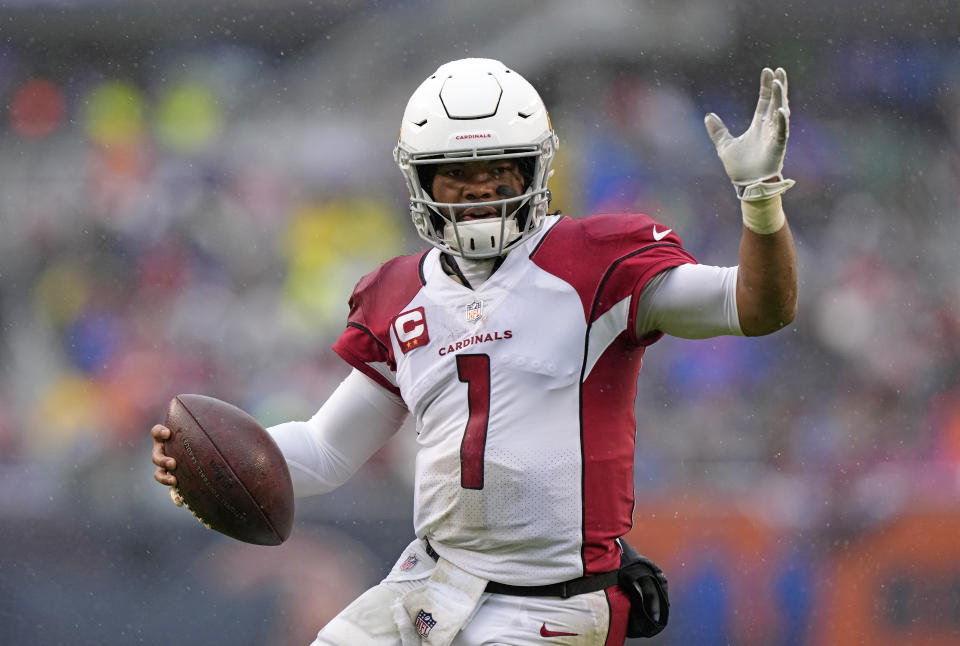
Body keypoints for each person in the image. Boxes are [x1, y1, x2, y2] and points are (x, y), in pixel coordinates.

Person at [152, 58, 797, 645]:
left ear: (534, 170)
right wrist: (212, 461)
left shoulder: (595, 263)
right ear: (422, 180)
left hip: (553, 599)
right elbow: (326, 450)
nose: (479, 189)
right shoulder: (401, 293)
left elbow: (755, 306)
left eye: (499, 168)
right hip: (433, 580)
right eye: (456, 174)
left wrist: (760, 198)